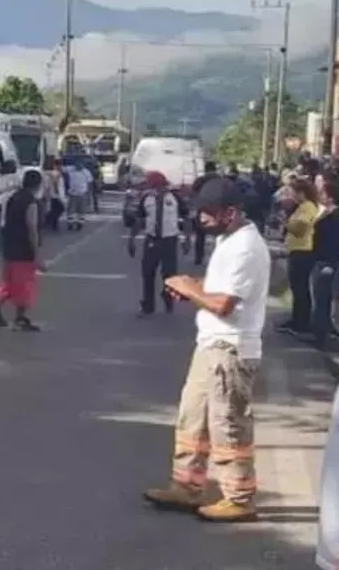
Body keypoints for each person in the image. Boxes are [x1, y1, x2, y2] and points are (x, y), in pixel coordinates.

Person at [144, 177, 269, 522]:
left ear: (230, 213)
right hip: (211, 345)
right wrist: (192, 289)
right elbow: (217, 293)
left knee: (227, 423)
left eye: (208, 213)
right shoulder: (229, 240)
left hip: (229, 349)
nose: (200, 219)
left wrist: (188, 287)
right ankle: (187, 485)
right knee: (193, 417)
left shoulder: (245, 247)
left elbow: (224, 304)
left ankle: (240, 497)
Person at [0, 170, 45, 331]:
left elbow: (4, 221)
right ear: (38, 185)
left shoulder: (13, 197)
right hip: (23, 249)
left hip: (9, 245)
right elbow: (31, 227)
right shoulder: (30, 202)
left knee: (8, 281)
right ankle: (19, 317)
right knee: (24, 284)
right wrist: (37, 254)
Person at [128, 170, 189, 316]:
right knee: (148, 273)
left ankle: (168, 299)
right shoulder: (146, 199)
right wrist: (131, 240)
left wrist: (186, 239)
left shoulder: (175, 198)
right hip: (152, 240)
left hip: (169, 240)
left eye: (153, 185)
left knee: (169, 275)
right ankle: (148, 306)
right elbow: (139, 220)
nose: (153, 189)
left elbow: (186, 219)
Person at [278, 179, 321, 336]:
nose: (292, 196)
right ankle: (297, 319)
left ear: (301, 193)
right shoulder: (301, 207)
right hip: (297, 250)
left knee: (300, 288)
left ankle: (301, 322)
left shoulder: (308, 207)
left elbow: (301, 228)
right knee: (297, 288)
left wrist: (286, 223)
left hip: (303, 251)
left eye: (293, 193)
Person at [311, 178, 339, 344]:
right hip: (327, 259)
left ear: (330, 197)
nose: (319, 195)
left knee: (322, 298)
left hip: (327, 261)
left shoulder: (332, 217)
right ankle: (324, 330)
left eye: (322, 193)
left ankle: (321, 335)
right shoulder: (326, 214)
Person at [190, 161, 221, 265]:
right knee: (219, 235)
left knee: (200, 235)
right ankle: (218, 258)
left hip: (202, 209)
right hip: (217, 209)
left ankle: (198, 258)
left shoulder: (200, 180)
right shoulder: (221, 180)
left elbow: (192, 193)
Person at [65, 160, 91, 230]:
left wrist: (88, 194)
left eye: (80, 164)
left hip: (82, 193)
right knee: (71, 210)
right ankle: (70, 224)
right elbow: (61, 169)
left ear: (83, 165)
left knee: (81, 210)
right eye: (77, 164)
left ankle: (80, 224)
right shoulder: (70, 169)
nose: (78, 166)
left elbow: (89, 183)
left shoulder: (86, 172)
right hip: (72, 193)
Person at [43, 156, 65, 232]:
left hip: (53, 194)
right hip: (54, 195)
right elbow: (53, 184)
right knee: (59, 209)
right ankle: (51, 222)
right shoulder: (53, 173)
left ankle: (51, 222)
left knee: (55, 209)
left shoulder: (49, 173)